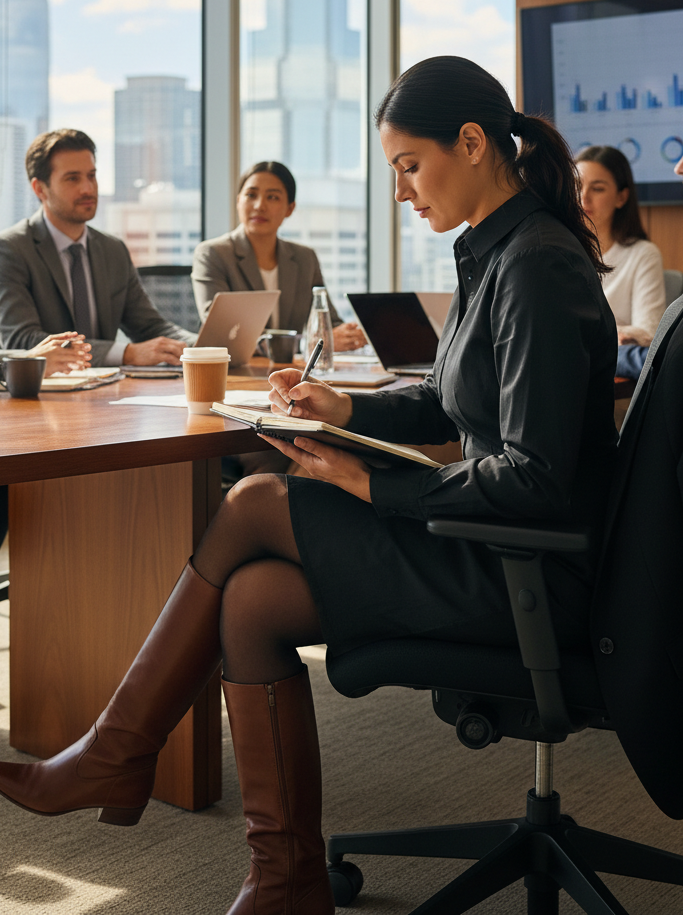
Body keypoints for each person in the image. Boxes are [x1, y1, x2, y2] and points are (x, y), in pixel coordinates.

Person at [0, 57, 619, 915]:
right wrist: (346, 408)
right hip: (489, 543)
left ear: (471, 144)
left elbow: (536, 479)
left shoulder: (536, 266)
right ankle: (283, 878)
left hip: (531, 574)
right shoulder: (498, 250)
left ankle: (116, 751)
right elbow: (447, 400)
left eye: (408, 165)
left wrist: (372, 488)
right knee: (251, 601)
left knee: (252, 500)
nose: (401, 191)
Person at [0, 129, 197, 367]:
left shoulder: (113, 249)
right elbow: (23, 341)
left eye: (91, 176)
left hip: (106, 392)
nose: (88, 189)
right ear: (40, 189)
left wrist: (202, 347)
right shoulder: (11, 250)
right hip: (45, 396)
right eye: (72, 178)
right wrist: (127, 354)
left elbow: (150, 327)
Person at [192, 161, 366, 352]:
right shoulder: (213, 254)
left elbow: (327, 322)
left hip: (293, 373)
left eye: (272, 197)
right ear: (238, 201)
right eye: (251, 195)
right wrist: (307, 343)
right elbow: (225, 334)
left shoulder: (304, 258)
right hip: (237, 374)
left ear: (290, 208)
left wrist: (349, 334)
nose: (259, 206)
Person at [576, 145, 666, 346]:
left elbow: (648, 334)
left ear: (621, 197)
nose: (583, 198)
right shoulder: (556, 251)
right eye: (576, 185)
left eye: (597, 188)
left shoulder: (643, 254)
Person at [613, 148, 683, 380]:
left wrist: (596, 347)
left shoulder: (643, 253)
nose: (678, 168)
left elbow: (662, 356)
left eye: (598, 188)